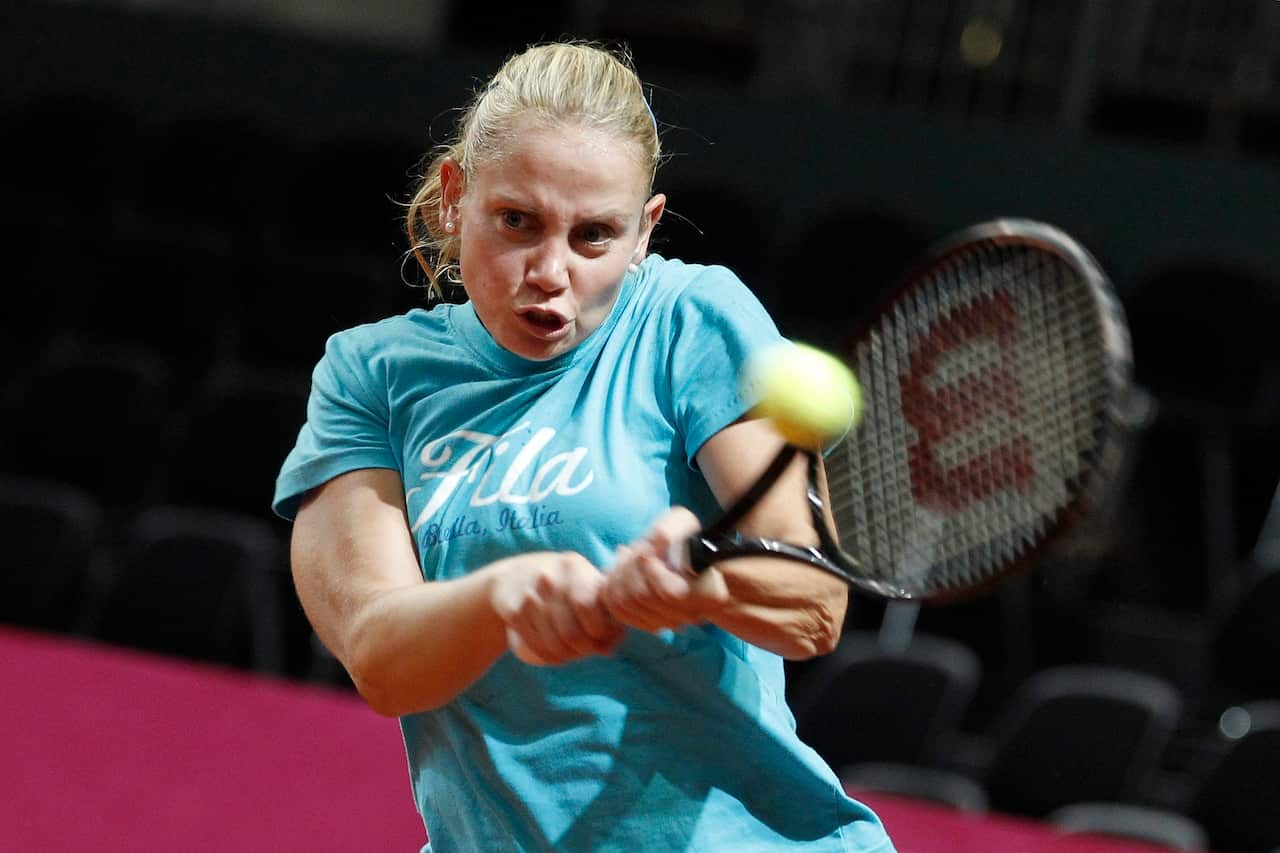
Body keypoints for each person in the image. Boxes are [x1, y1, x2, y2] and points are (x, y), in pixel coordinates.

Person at [273, 40, 895, 853]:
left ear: (646, 231)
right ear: (457, 197)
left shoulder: (690, 319)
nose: (549, 270)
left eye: (595, 235)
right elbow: (380, 657)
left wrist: (698, 584)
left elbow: (813, 604)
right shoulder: (373, 375)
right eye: (517, 221)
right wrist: (504, 594)